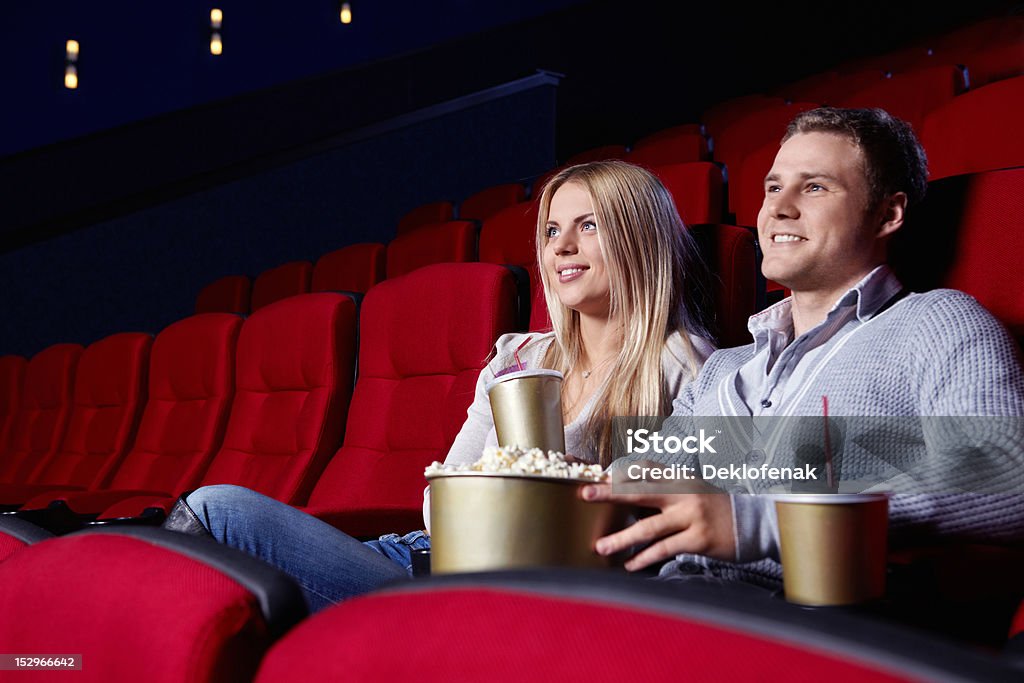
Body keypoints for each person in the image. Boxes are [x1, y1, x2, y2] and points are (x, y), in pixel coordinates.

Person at [163, 160, 716, 612]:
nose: (562, 246)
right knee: (209, 568)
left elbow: (663, 528)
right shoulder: (516, 355)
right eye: (552, 230)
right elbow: (437, 500)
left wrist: (521, 495)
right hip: (422, 555)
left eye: (588, 225)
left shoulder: (685, 367)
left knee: (218, 511)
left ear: (639, 240)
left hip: (494, 593)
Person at [582, 107, 1024, 588]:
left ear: (887, 214)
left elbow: (1006, 471)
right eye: (773, 188)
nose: (778, 208)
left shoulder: (936, 321)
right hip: (671, 600)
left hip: (813, 620)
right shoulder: (724, 367)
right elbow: (651, 468)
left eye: (814, 187)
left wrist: (766, 522)